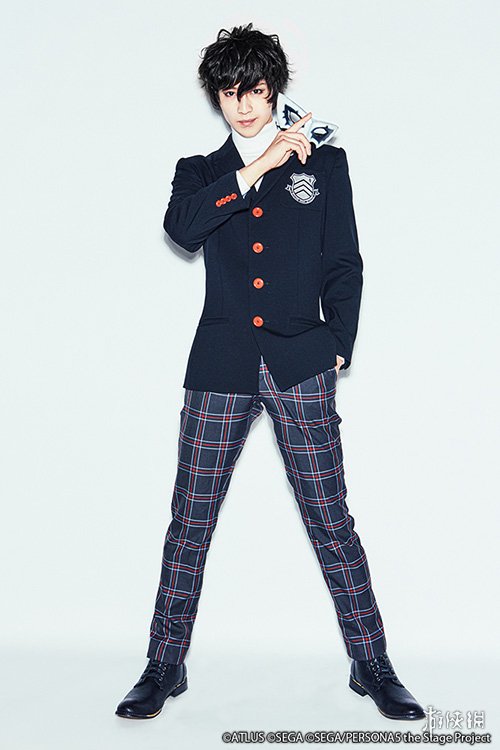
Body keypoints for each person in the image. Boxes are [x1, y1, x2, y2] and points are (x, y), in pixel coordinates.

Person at [115, 22, 425, 722]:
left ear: (274, 87)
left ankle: (372, 663)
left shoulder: (326, 164)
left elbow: (344, 261)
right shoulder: (200, 172)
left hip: (301, 362)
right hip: (221, 363)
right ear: (217, 99)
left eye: (253, 90)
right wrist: (254, 169)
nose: (244, 105)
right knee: (190, 520)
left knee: (330, 517)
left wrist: (339, 342)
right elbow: (181, 231)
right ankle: (164, 664)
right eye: (230, 94)